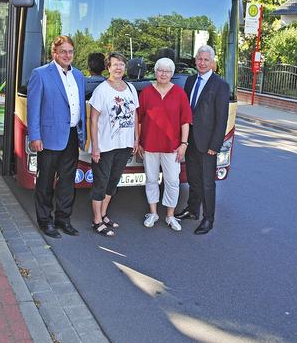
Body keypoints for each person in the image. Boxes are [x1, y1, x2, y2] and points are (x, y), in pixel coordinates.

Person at [27, 35, 86, 238]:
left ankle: (63, 219)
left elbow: (79, 107)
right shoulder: (41, 74)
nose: (67, 55)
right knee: (45, 182)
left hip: (71, 136)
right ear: (54, 53)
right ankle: (45, 221)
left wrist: (82, 133)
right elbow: (33, 108)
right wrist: (35, 136)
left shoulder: (78, 75)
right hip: (49, 137)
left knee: (67, 182)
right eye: (63, 51)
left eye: (70, 51)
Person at [175, 45, 229, 235]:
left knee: (207, 182)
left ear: (212, 62)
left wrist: (215, 145)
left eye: (206, 60)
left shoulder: (220, 85)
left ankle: (208, 219)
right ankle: (192, 210)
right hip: (190, 140)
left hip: (208, 145)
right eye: (200, 59)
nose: (202, 63)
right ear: (195, 60)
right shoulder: (190, 81)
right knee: (193, 178)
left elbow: (222, 119)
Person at [138, 58, 192, 231]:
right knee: (151, 179)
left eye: (167, 71)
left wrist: (184, 144)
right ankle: (153, 213)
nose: (163, 74)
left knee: (172, 182)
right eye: (160, 70)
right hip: (149, 146)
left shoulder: (179, 93)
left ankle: (170, 215)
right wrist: (138, 141)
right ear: (155, 72)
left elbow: (185, 121)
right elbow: (139, 120)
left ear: (172, 74)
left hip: (172, 147)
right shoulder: (146, 93)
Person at [89, 52, 139, 236]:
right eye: (115, 64)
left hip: (124, 145)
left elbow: (134, 115)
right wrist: (95, 147)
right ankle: (96, 221)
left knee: (112, 182)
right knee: (100, 183)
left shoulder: (131, 89)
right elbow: (93, 120)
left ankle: (103, 215)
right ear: (108, 68)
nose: (118, 68)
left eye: (121, 64)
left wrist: (136, 139)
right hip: (105, 146)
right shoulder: (101, 90)